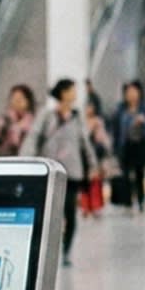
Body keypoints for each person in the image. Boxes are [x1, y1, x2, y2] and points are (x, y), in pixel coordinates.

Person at [30, 79, 100, 263]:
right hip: (50, 172)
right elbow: (33, 138)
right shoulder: (47, 116)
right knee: (51, 213)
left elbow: (85, 144)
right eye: (71, 90)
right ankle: (49, 248)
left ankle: (66, 250)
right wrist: (27, 162)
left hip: (72, 173)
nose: (74, 93)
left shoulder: (77, 118)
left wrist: (93, 165)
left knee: (70, 212)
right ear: (63, 93)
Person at [111, 80, 145, 213]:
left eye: (134, 92)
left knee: (139, 175)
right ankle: (128, 202)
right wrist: (115, 149)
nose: (131, 95)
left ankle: (141, 201)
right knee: (125, 176)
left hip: (140, 146)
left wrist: (144, 121)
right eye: (129, 92)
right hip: (126, 146)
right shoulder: (120, 110)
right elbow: (116, 130)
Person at [0, 83, 37, 157]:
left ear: (28, 101)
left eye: (20, 98)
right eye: (14, 98)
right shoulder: (5, 118)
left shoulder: (35, 122)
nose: (17, 101)